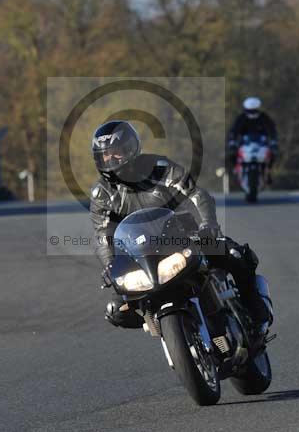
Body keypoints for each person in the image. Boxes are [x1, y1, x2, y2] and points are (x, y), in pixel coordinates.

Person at [89, 120, 273, 330]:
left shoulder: (158, 168)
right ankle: (163, 325)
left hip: (184, 238)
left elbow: (197, 194)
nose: (111, 158)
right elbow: (103, 234)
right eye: (105, 154)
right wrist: (110, 264)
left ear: (130, 148)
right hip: (141, 254)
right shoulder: (101, 192)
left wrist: (207, 225)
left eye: (116, 152)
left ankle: (256, 312)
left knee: (235, 256)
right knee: (116, 311)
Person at [227, 97, 279, 182]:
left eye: (254, 110)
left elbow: (272, 129)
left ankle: (268, 170)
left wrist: (273, 141)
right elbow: (234, 130)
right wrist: (232, 141)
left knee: (273, 153)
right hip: (245, 144)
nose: (251, 113)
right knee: (231, 153)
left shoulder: (264, 117)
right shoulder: (241, 118)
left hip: (261, 144)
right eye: (249, 111)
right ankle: (236, 170)